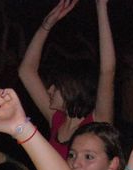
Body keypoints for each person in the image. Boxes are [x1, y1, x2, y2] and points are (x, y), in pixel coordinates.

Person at [18, 0, 115, 158]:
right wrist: (46, 25)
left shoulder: (97, 122)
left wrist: (101, 7)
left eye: (55, 87)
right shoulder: (56, 118)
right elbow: (26, 71)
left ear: (73, 89)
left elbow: (107, 71)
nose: (48, 90)